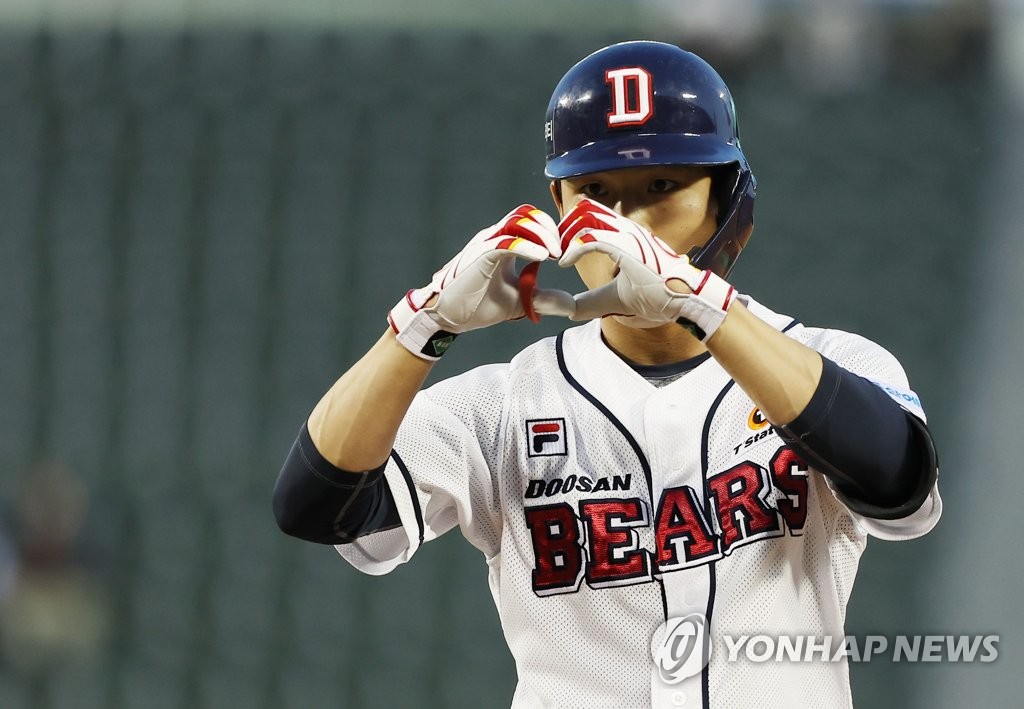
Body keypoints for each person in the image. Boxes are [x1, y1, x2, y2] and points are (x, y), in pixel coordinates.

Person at [273, 40, 940, 708]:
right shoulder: (499, 407)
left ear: (726, 202)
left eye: (662, 188)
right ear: (560, 206)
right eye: (597, 193)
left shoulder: (832, 362)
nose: (628, 227)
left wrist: (697, 301)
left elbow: (898, 479)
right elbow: (315, 505)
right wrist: (421, 326)